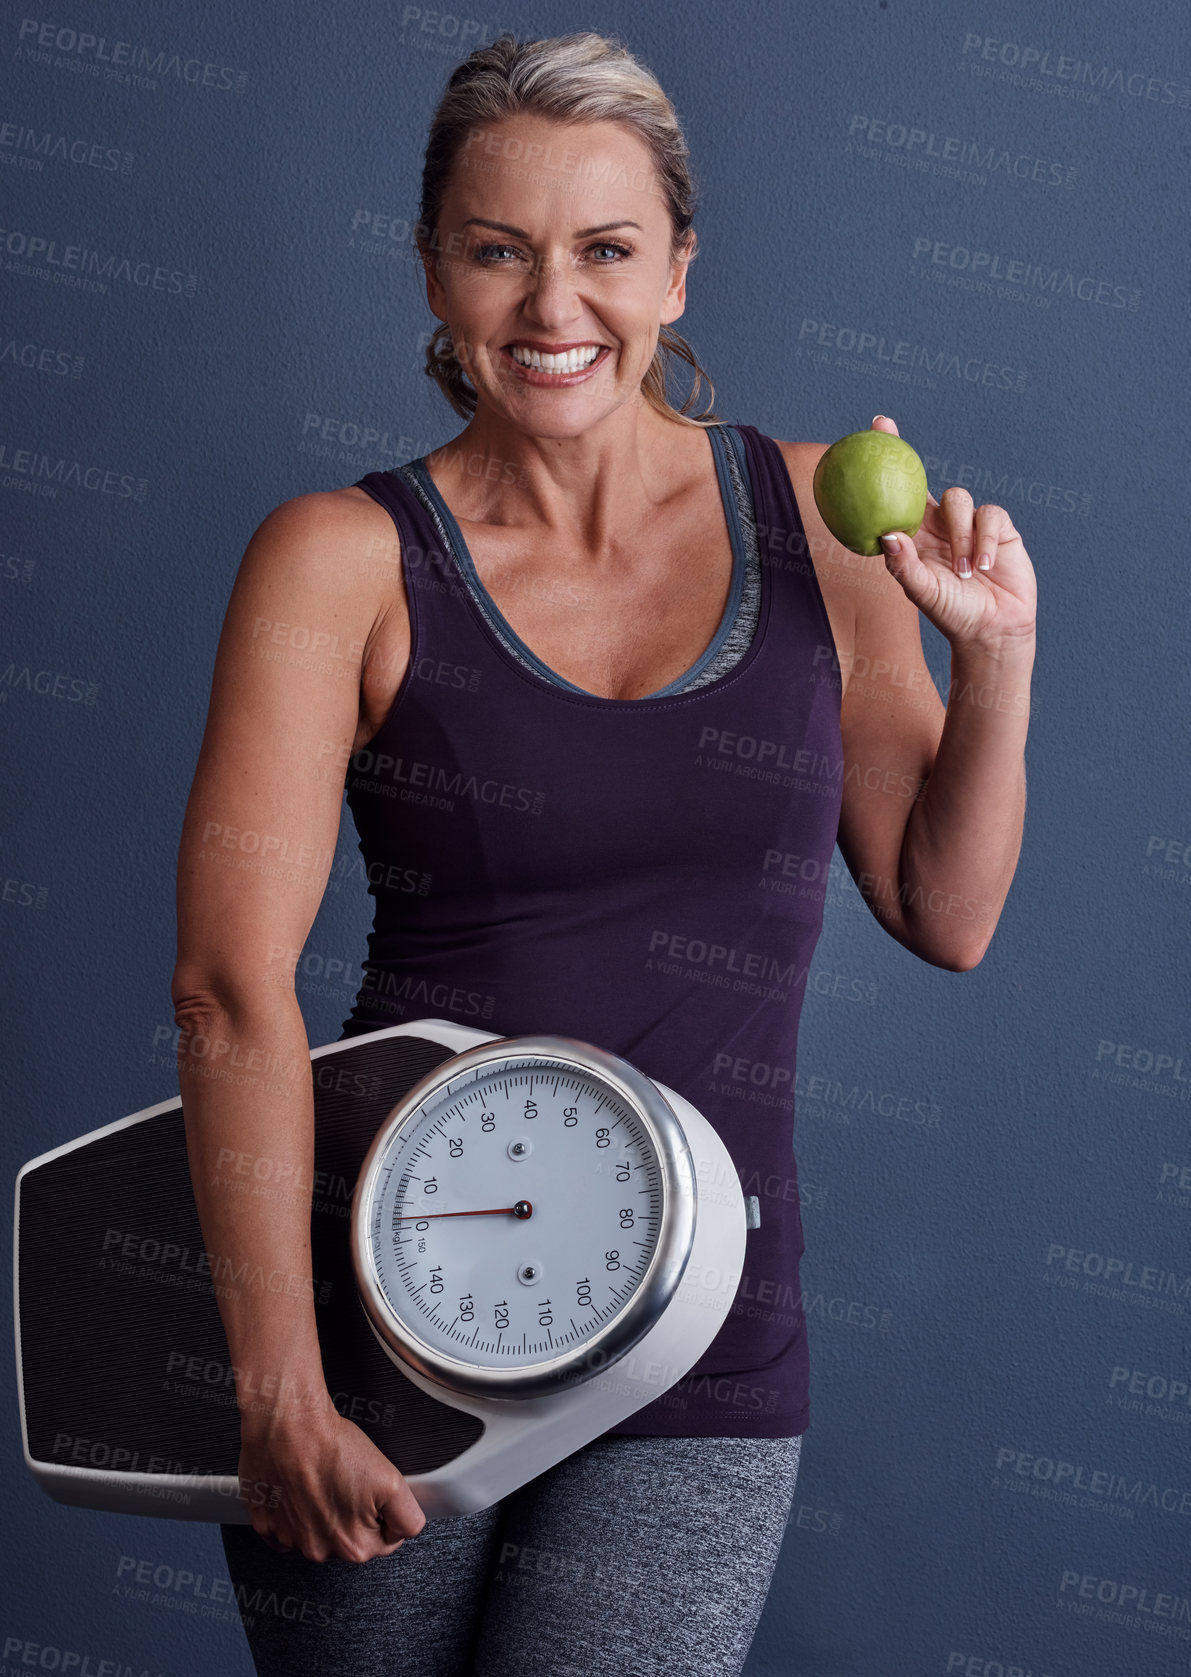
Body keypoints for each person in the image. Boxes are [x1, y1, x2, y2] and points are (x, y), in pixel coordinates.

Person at [170, 29, 1036, 1677]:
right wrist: (275, 1384)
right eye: (498, 252)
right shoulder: (339, 562)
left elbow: (947, 904)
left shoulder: (824, 527)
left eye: (606, 252)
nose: (554, 308)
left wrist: (994, 668)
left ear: (681, 270)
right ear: (434, 270)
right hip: (381, 1325)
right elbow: (227, 990)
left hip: (700, 1336)